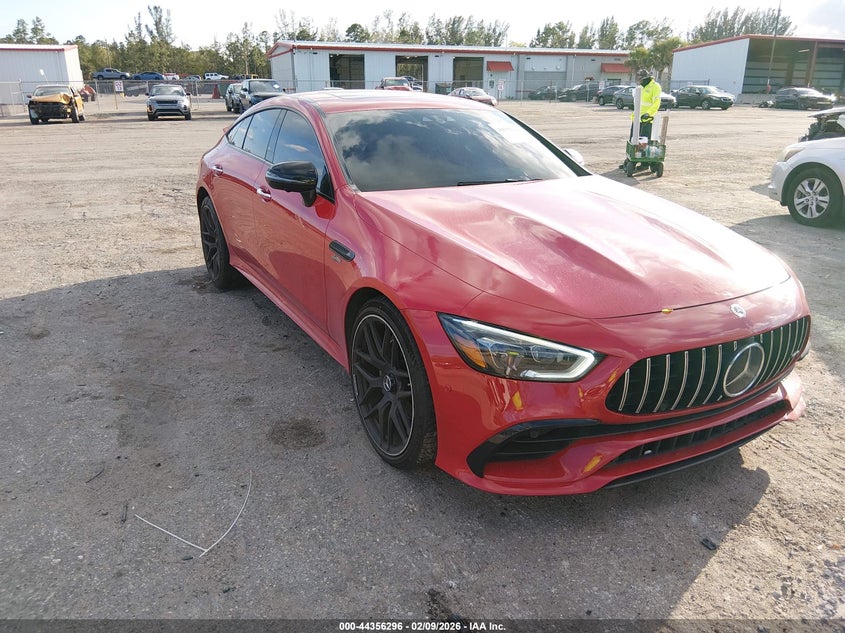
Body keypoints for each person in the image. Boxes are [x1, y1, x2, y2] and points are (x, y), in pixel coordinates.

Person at [620, 69, 662, 169]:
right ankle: (631, 159)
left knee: (643, 141)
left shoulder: (655, 87)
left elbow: (656, 102)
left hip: (647, 119)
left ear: (646, 78)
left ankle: (644, 163)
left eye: (641, 79)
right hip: (636, 118)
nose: (639, 82)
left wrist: (648, 113)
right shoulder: (640, 88)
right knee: (633, 140)